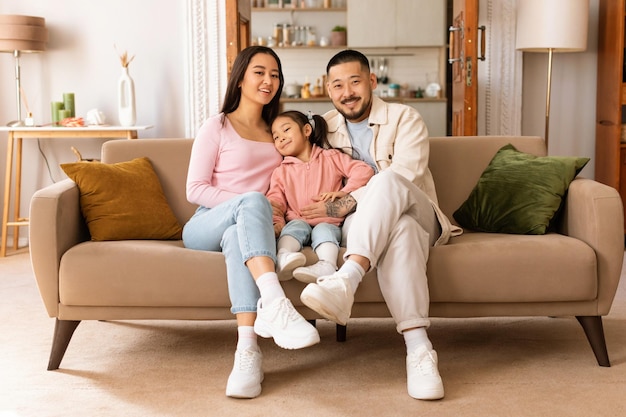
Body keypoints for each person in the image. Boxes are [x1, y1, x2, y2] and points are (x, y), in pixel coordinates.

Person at [298, 49, 462, 401]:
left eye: (355, 82)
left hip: (420, 213)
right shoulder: (323, 129)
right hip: (373, 228)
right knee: (398, 231)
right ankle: (419, 350)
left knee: (386, 181)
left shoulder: (406, 118)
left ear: (371, 81)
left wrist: (346, 201)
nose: (348, 92)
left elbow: (407, 176)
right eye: (338, 85)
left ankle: (348, 279)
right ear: (328, 90)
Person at [182, 46, 320, 400]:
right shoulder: (218, 126)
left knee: (236, 238)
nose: (268, 80)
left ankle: (247, 351)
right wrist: (248, 205)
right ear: (241, 77)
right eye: (259, 72)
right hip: (205, 223)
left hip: (251, 229)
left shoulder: (277, 132)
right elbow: (194, 189)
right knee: (247, 207)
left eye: (275, 74)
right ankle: (275, 304)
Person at [266, 110, 374, 283]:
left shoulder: (331, 157)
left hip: (328, 221)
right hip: (297, 220)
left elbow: (364, 171)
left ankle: (327, 264)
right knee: (293, 228)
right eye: (276, 137)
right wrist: (276, 224)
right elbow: (275, 201)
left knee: (324, 232)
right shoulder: (281, 171)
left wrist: (345, 193)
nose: (281, 138)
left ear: (307, 131)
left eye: (286, 130)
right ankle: (284, 256)